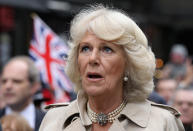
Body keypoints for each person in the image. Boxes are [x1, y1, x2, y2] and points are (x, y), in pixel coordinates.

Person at [39, 5, 184, 131]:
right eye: (85, 48)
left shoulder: (162, 122)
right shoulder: (54, 119)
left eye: (107, 49)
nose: (92, 58)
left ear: (129, 64)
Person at [0, 56, 45, 131]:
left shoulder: (50, 121)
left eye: (16, 81)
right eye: (4, 81)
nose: (8, 86)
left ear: (34, 86)